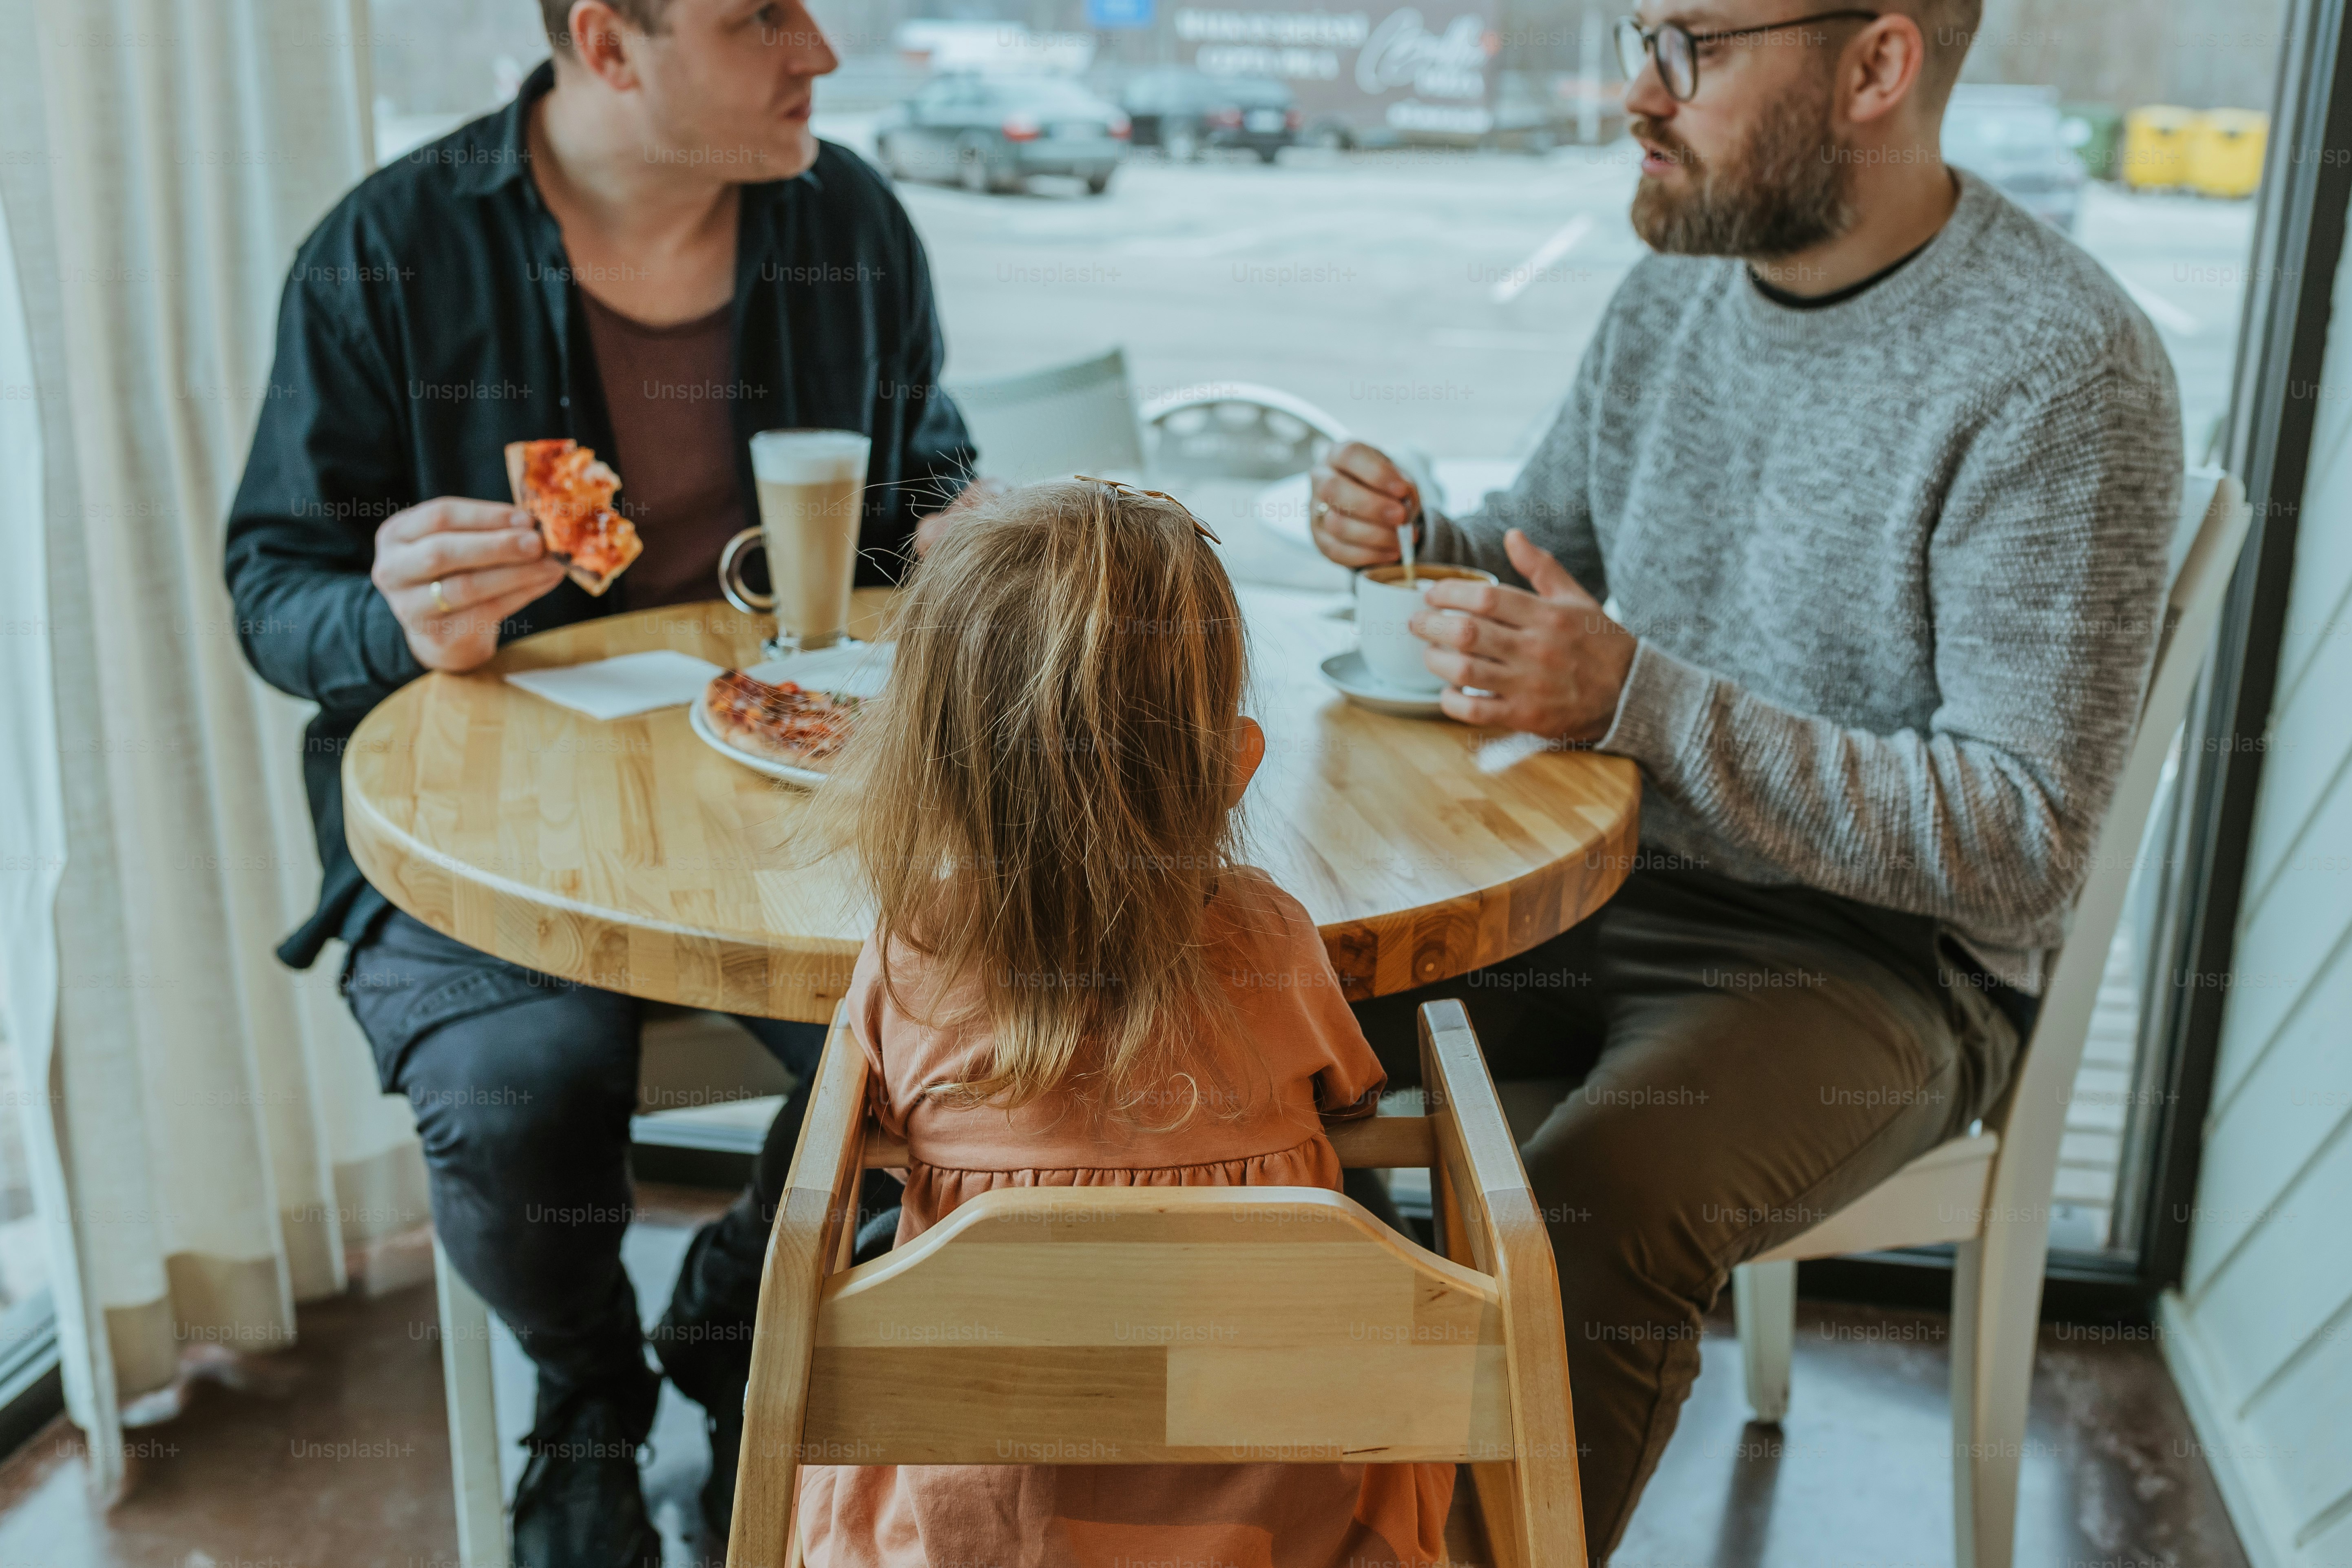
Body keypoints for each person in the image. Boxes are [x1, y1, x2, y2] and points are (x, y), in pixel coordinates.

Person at [1310, 0, 2181, 1557]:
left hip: (1877, 963)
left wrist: (1640, 699)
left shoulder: (2061, 370)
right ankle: (1300, 1501)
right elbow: (1545, 541)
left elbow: (2023, 839)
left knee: (1595, 1206)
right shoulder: (1677, 295)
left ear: (1876, 66)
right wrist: (1417, 544)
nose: (1636, 94)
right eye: (1641, 34)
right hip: (1603, 868)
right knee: (1244, 1023)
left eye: (1692, 46)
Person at [221, 0, 977, 1561]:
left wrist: (974, 548)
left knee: (966, 1040)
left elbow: (932, 485)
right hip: (494, 828)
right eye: (760, 15)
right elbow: (272, 588)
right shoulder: (389, 252)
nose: (819, 50)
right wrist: (392, 613)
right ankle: (587, 1403)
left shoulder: (850, 223)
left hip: (801, 803)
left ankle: (736, 1323)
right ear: (609, 45)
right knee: (522, 1090)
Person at [788, 479, 1452, 1568]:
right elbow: (1352, 1094)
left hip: (979, 1536)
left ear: (931, 765)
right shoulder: (1275, 940)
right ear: (1231, 759)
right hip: (1283, 1534)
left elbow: (876, 1118)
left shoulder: (914, 959)